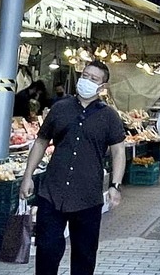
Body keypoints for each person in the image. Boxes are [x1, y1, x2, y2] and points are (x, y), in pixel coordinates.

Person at [20, 60, 126, 275]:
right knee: (47, 249)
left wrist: (115, 185)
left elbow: (118, 152)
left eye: (93, 79)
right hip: (53, 190)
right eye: (85, 75)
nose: (86, 81)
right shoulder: (60, 108)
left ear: (102, 87)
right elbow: (41, 141)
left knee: (84, 255)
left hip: (88, 195)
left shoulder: (109, 116)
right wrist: (27, 176)